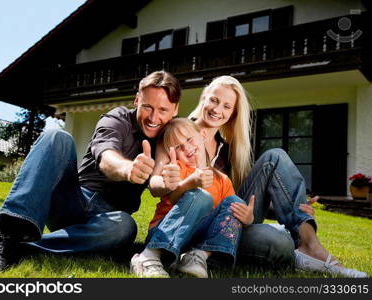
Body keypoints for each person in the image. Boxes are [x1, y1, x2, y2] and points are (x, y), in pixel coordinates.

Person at [0, 70, 181, 271]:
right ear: (136, 100)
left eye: (163, 110)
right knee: (57, 136)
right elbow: (106, 155)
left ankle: (10, 244)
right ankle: (9, 235)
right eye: (147, 107)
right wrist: (127, 168)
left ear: (175, 110)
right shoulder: (117, 118)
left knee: (126, 226)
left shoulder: (169, 137)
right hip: (72, 201)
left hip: (107, 220)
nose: (154, 117)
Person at [149, 75, 368, 278]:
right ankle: (197, 253)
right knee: (278, 242)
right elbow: (157, 182)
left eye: (227, 106)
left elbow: (235, 199)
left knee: (275, 159)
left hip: (225, 225)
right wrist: (175, 180)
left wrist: (291, 206)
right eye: (214, 100)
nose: (217, 110)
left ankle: (310, 248)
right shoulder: (177, 133)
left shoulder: (229, 151)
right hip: (190, 222)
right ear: (204, 98)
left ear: (233, 113)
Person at [130, 118, 255, 278]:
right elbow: (170, 193)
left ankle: (198, 256)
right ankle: (148, 255)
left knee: (235, 203)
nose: (187, 148)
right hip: (163, 231)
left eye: (189, 140)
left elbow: (227, 217)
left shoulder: (222, 179)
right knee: (201, 197)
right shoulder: (176, 170)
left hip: (196, 239)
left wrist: (248, 218)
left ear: (203, 135)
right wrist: (190, 184)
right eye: (178, 147)